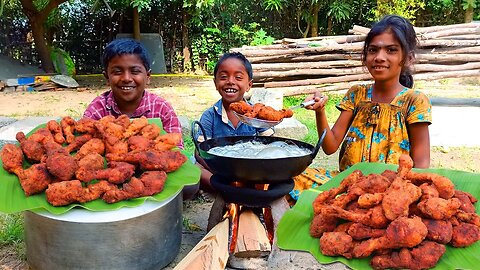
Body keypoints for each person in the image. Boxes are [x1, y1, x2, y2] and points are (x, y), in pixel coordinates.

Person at [289, 15, 432, 201]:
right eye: (373, 50)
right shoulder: (357, 94)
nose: (380, 57)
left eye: (391, 50)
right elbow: (330, 146)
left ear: (408, 58)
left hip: (390, 190)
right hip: (347, 184)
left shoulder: (414, 101)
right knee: (288, 179)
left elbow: (421, 163)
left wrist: (406, 196)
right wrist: (320, 111)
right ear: (365, 57)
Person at [194, 52, 273, 193]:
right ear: (215, 83)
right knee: (196, 169)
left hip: (252, 169)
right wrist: (220, 171)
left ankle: (234, 189)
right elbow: (200, 151)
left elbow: (270, 143)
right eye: (223, 77)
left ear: (249, 85)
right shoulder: (210, 116)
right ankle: (228, 188)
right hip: (219, 170)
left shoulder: (257, 115)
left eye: (238, 77)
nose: (230, 81)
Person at [83, 38, 183, 147]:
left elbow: (177, 147)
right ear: (107, 77)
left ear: (148, 76)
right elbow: (85, 142)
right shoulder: (97, 110)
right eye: (117, 72)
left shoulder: (161, 109)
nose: (126, 78)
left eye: (135, 71)